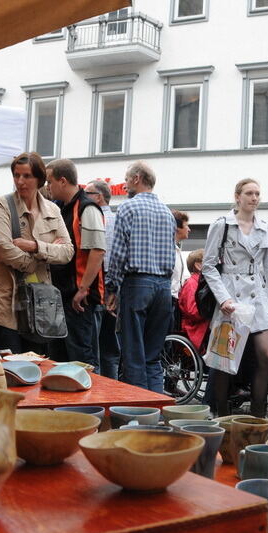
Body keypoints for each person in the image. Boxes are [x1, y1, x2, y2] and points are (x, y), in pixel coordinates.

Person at [201, 178, 268, 417]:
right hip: (230, 298)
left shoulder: (267, 229)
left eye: (258, 193)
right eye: (249, 193)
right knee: (224, 361)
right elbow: (208, 266)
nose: (254, 198)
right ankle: (222, 415)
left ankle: (259, 417)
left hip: (258, 299)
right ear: (237, 196)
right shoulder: (222, 225)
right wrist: (223, 299)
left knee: (266, 355)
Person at [0, 152, 73, 354]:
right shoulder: (1, 204)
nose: (20, 181)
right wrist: (40, 258)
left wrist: (34, 247)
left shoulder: (53, 210)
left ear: (39, 179)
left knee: (34, 363)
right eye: (16, 175)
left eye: (27, 176)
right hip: (1, 298)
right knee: (9, 364)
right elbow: (3, 248)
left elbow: (68, 252)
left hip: (38, 303)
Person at [104, 161, 176, 391]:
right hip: (163, 287)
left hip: (137, 285)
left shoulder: (128, 208)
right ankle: (157, 413)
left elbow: (118, 252)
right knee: (152, 356)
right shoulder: (167, 213)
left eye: (126, 180)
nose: (124, 185)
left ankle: (138, 416)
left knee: (133, 355)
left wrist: (112, 287)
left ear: (136, 178)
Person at [46, 159, 106, 372]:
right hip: (63, 295)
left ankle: (88, 406)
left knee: (81, 359)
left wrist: (83, 290)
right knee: (60, 359)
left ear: (62, 181)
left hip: (78, 298)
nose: (48, 187)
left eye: (50, 181)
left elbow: (97, 251)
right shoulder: (62, 208)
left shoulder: (87, 208)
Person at [86, 179, 120, 380]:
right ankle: (113, 386)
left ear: (98, 197)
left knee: (94, 343)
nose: (84, 197)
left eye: (87, 193)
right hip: (114, 287)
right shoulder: (117, 219)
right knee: (111, 343)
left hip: (99, 285)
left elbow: (100, 256)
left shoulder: (96, 219)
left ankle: (97, 388)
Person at [178, 249, 209, 352]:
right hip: (196, 329)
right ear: (198, 265)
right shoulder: (192, 284)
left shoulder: (200, 283)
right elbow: (192, 310)